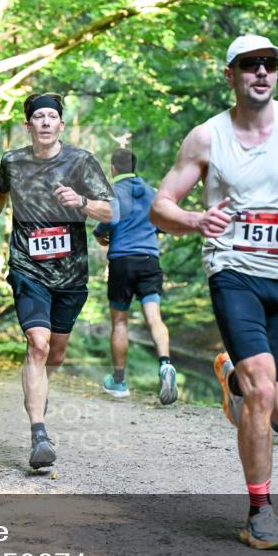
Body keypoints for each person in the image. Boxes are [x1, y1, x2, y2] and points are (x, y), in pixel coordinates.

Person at [150, 35, 278, 549]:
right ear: (231, 75)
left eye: (270, 64)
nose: (261, 72)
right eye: (250, 65)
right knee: (265, 389)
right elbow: (160, 206)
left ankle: (232, 379)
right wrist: (197, 219)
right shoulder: (208, 138)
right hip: (232, 273)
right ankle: (260, 512)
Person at [0, 92, 114, 469]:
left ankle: (38, 389)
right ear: (28, 125)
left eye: (52, 116)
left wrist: (80, 202)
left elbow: (111, 210)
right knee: (38, 343)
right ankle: (39, 433)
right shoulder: (13, 161)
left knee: (54, 354)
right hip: (27, 266)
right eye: (39, 117)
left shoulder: (81, 161)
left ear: (61, 125)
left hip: (71, 273)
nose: (46, 122)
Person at [93, 148, 178, 404]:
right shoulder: (153, 193)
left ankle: (119, 382)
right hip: (150, 260)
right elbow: (163, 223)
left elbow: (107, 222)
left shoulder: (112, 192)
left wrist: (100, 235)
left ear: (113, 168)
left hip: (122, 261)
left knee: (120, 322)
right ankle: (165, 365)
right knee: (154, 317)